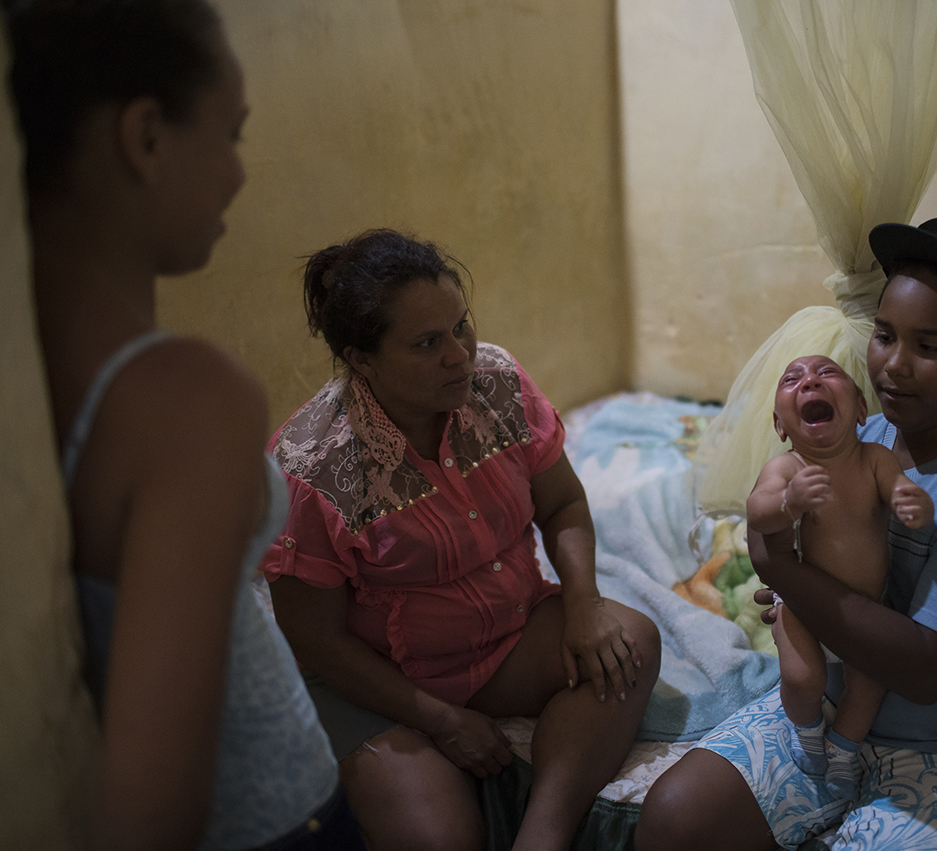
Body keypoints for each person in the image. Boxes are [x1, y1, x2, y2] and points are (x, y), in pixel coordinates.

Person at [5, 1, 363, 849]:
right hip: (276, 826)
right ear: (146, 137)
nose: (239, 173)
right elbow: (153, 807)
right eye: (230, 133)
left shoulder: (38, 383)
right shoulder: (186, 400)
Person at [635, 216, 937, 851]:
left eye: (931, 346)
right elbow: (806, 545)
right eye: (885, 336)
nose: (893, 365)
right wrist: (799, 588)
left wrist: (786, 574)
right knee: (674, 815)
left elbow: (925, 670)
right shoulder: (862, 440)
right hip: (824, 712)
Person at [262, 228, 662, 851]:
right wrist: (441, 722)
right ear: (362, 359)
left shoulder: (497, 387)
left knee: (628, 642)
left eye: (461, 327)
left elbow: (563, 502)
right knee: (439, 838)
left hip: (501, 640)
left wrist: (583, 604)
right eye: (427, 343)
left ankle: (542, 837)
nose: (460, 355)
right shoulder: (315, 468)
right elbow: (313, 638)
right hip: (376, 681)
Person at [746, 355, 933, 802]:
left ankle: (844, 747)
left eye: (827, 373)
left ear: (861, 412)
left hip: (864, 611)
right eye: (792, 379)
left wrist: (913, 503)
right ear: (780, 426)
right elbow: (757, 509)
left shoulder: (875, 458)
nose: (809, 380)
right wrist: (788, 502)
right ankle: (807, 735)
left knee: (869, 685)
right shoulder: (788, 468)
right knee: (800, 678)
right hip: (803, 607)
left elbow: (900, 489)